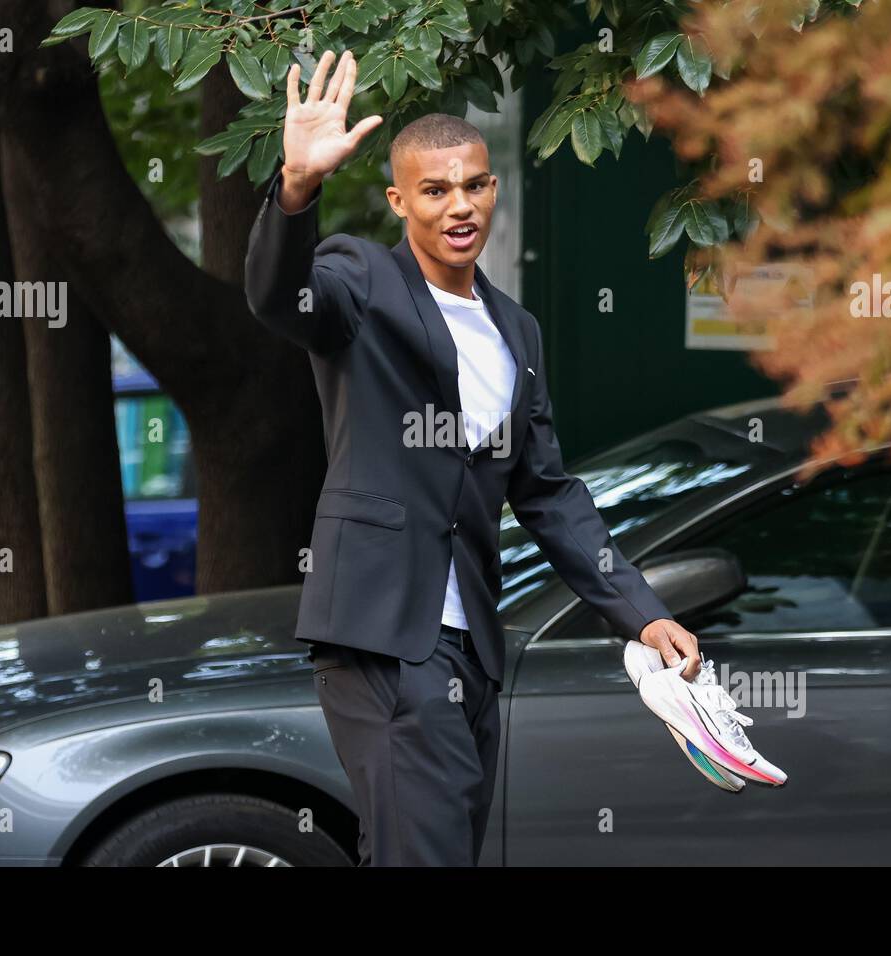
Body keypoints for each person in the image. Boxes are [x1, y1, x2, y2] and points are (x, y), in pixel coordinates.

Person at [244, 49, 702, 866]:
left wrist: (643, 611)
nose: (461, 205)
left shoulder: (515, 330)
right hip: (384, 633)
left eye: (476, 185)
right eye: (435, 189)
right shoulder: (361, 281)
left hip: (471, 648)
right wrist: (297, 187)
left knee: (438, 849)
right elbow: (280, 298)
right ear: (399, 201)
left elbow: (550, 495)